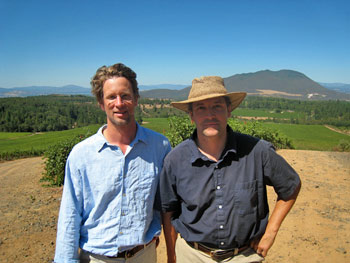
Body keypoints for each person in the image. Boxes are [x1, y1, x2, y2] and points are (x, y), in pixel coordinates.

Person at [160, 76, 301, 263]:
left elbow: (291, 186)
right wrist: (172, 256)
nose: (210, 114)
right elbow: (168, 210)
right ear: (192, 116)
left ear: (229, 111)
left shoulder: (257, 151)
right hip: (192, 256)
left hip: (244, 257)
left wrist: (270, 232)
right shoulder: (175, 159)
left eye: (217, 106)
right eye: (201, 108)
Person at [54, 63, 171, 263]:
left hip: (145, 255)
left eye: (125, 95)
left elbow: (166, 204)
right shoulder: (82, 154)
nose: (119, 103)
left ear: (136, 99)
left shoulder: (160, 146)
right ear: (101, 103)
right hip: (97, 259)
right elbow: (69, 215)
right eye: (111, 97)